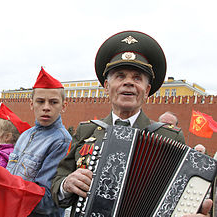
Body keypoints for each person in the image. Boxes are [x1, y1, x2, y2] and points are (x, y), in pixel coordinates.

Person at [51, 31, 212, 217]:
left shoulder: (169, 136)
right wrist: (66, 184)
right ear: (106, 86)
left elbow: (181, 199)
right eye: (120, 76)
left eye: (137, 78)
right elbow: (57, 187)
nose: (128, 83)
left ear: (147, 90)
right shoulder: (87, 130)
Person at [0, 67, 72, 217]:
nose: (46, 107)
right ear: (31, 104)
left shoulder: (61, 141)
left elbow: (49, 201)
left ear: (63, 106)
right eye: (40, 101)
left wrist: (4, 179)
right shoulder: (25, 135)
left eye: (53, 102)